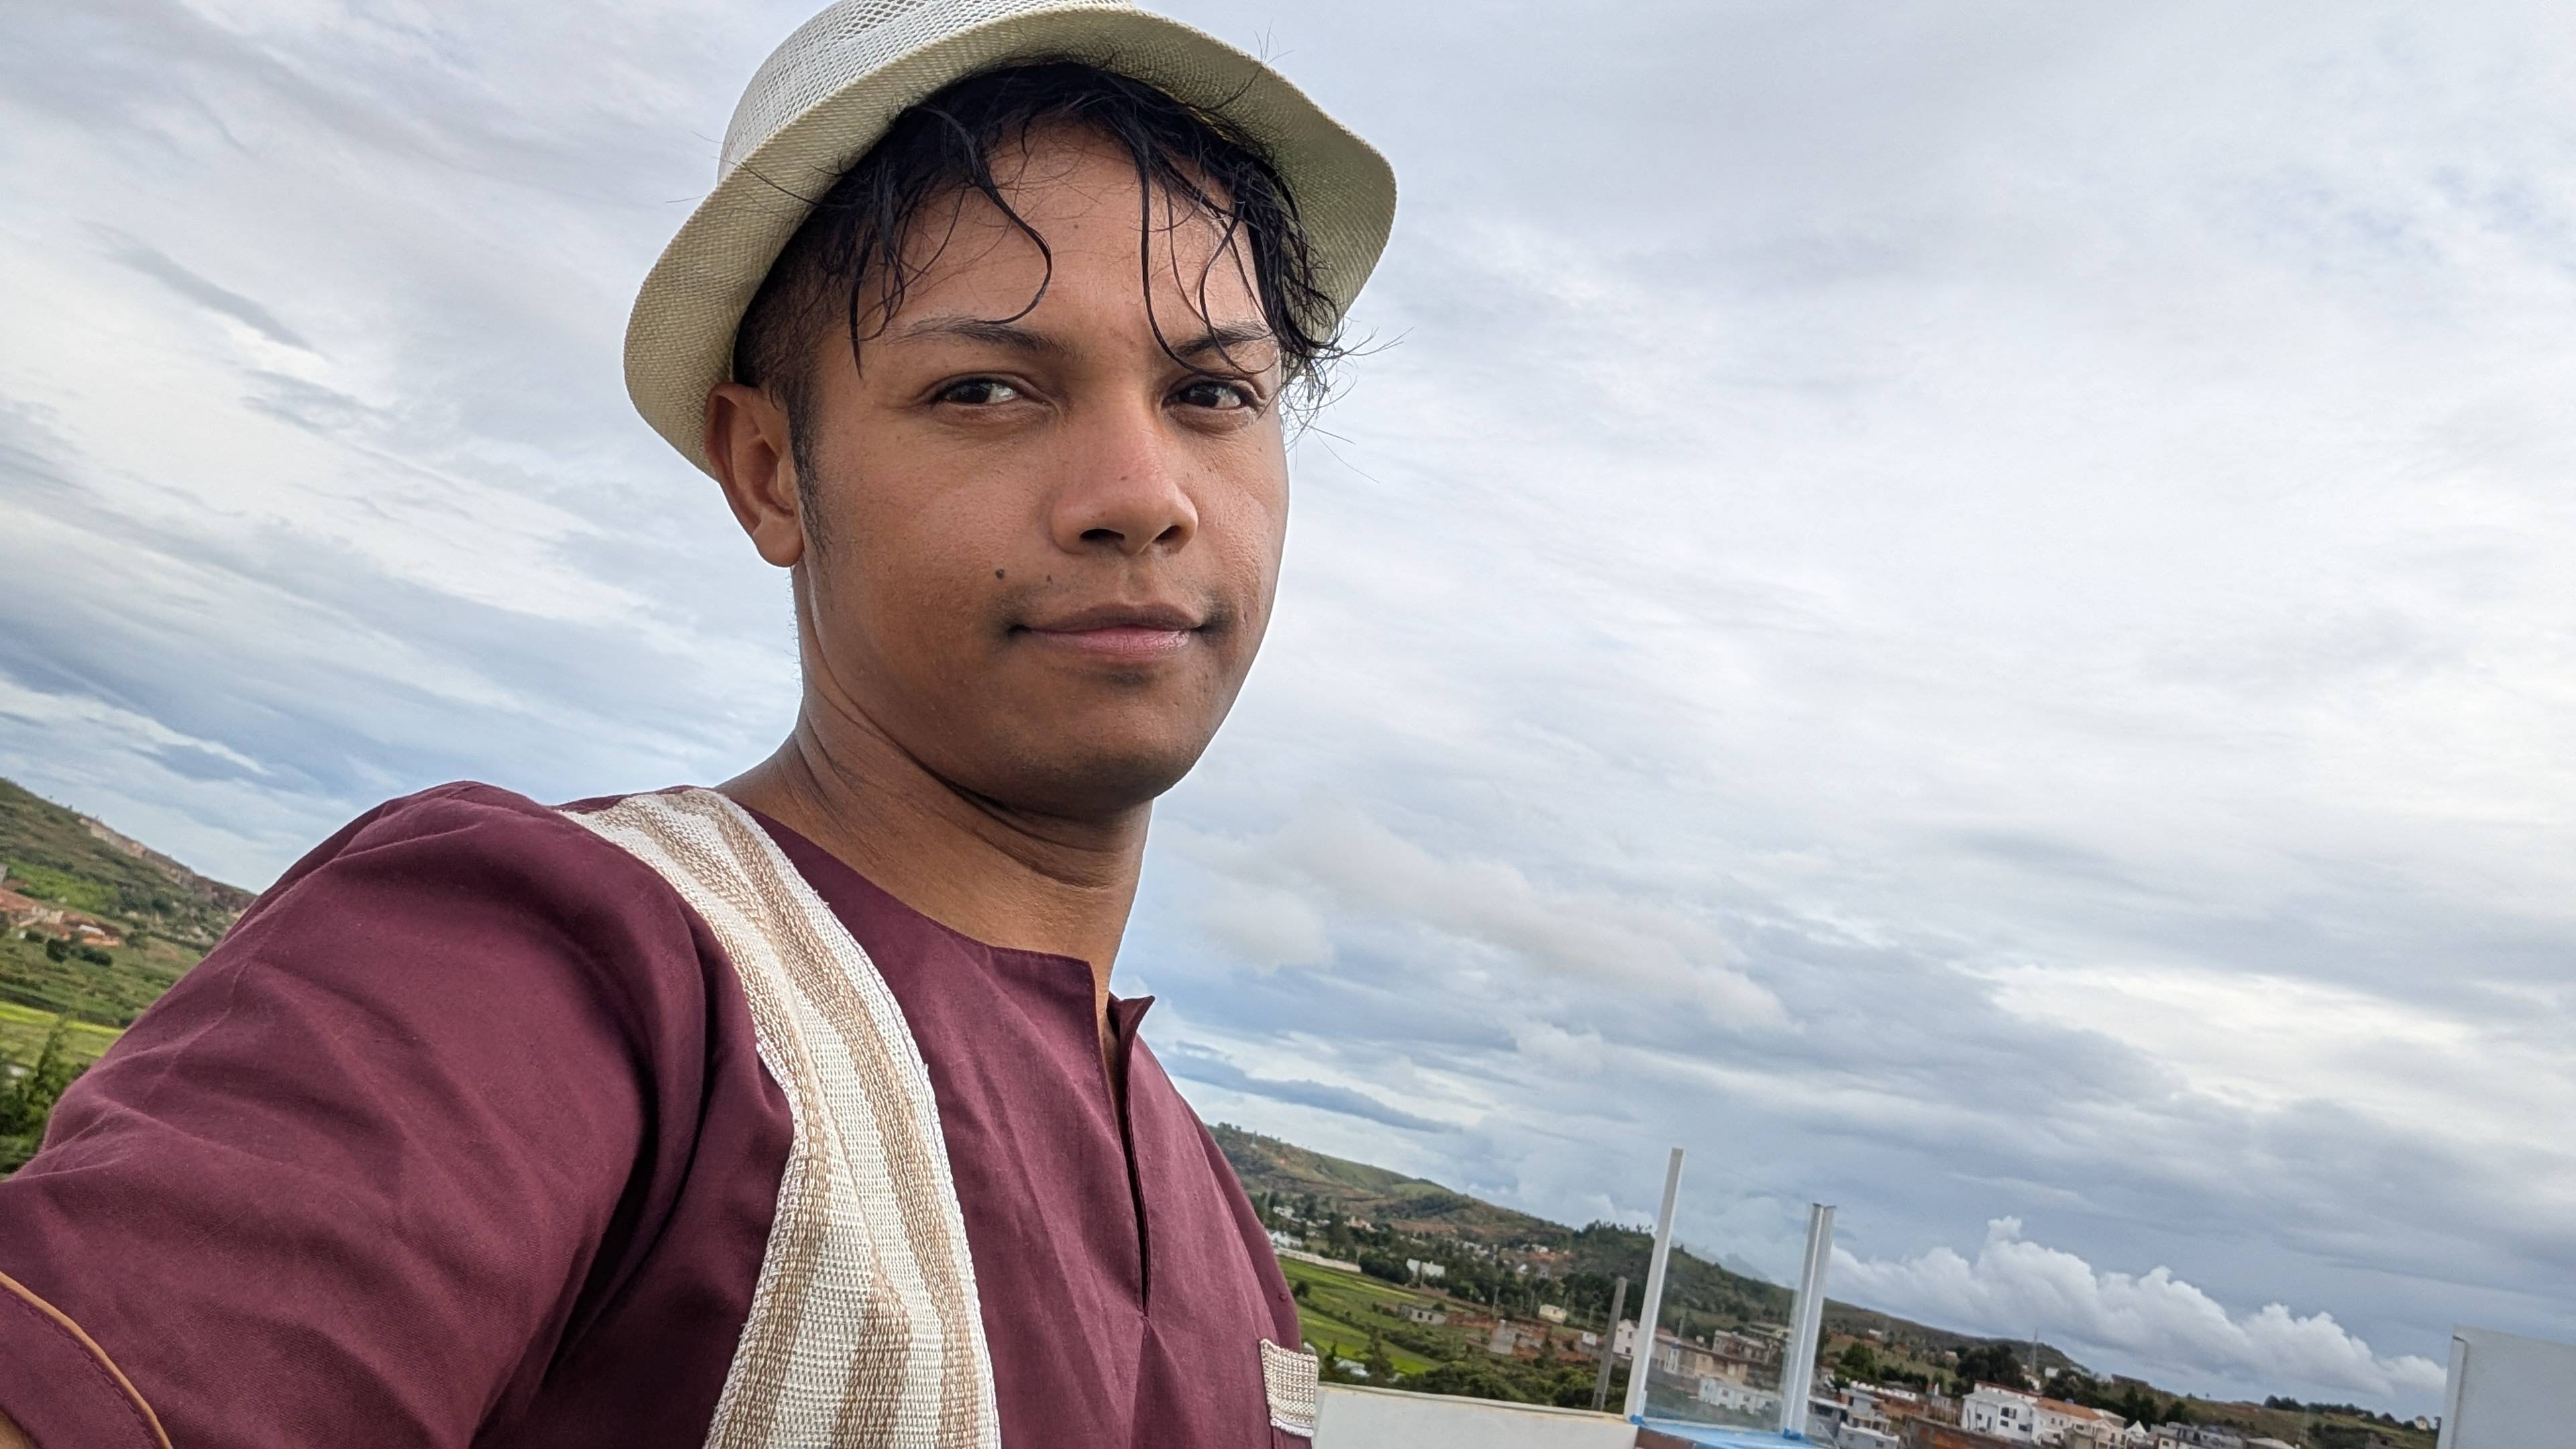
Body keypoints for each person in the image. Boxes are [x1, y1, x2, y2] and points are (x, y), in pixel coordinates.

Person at [0, 0, 1395, 1443]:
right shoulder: (542, 967)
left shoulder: (1216, 1221)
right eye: (984, 388)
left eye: (1213, 391)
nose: (1143, 495)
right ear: (770, 471)